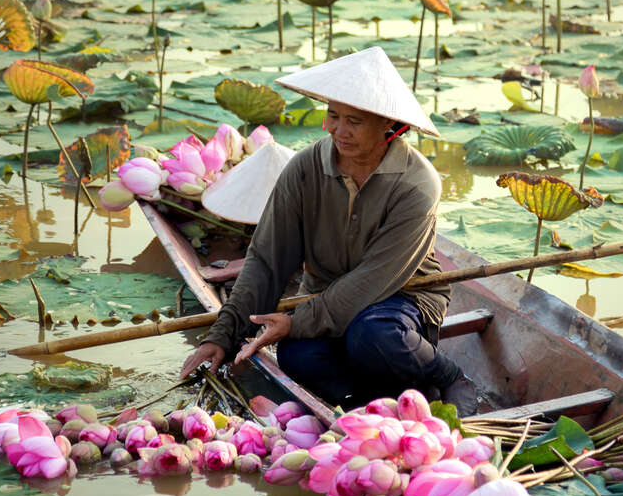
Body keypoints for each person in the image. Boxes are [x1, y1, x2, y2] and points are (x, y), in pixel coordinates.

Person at [178, 47, 477, 413]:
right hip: (323, 294)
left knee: (373, 335)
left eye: (355, 121)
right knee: (298, 357)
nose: (339, 130)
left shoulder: (417, 184)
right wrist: (223, 336)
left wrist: (294, 321)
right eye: (333, 116)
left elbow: (372, 280)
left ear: (389, 126)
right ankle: (373, 399)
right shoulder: (305, 169)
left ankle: (447, 376)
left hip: (401, 298)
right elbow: (267, 259)